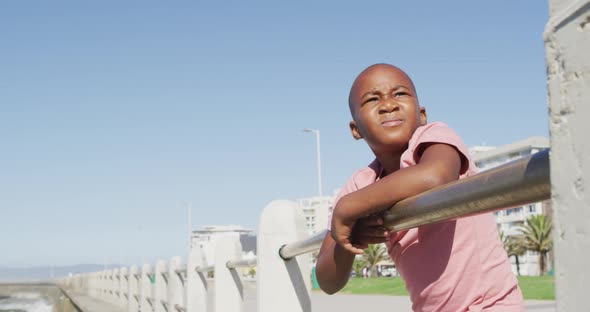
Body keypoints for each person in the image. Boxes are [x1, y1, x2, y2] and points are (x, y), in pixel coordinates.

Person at [315, 63, 524, 311]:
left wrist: (348, 208)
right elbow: (327, 281)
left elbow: (435, 176)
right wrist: (350, 241)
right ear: (355, 129)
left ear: (422, 115)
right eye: (372, 99)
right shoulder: (362, 183)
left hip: (490, 305)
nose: (388, 105)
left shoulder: (436, 138)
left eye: (400, 94)